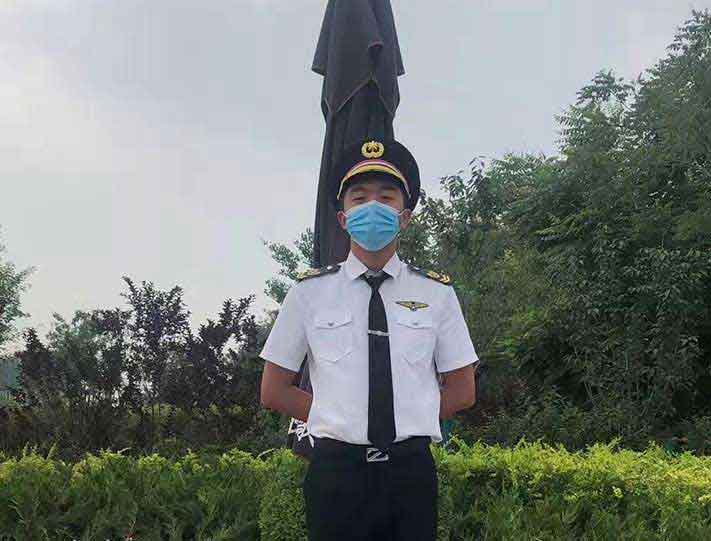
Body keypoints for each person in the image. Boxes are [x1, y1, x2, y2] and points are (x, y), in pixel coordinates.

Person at [259, 138, 479, 541]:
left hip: (409, 473)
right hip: (336, 474)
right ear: (343, 219)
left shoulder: (436, 293)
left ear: (405, 216)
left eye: (386, 197)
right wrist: (339, 417)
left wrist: (407, 415)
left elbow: (463, 390)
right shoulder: (309, 293)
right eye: (359, 198)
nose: (372, 207)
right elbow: (274, 390)